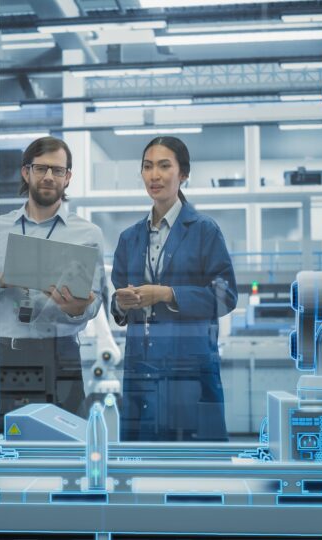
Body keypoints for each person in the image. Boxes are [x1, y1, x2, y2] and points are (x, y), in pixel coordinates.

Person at [111, 136, 238, 442]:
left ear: (183, 174)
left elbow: (227, 295)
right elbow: (116, 301)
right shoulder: (130, 238)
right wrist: (121, 303)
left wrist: (168, 294)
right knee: (140, 468)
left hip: (189, 368)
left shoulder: (205, 231)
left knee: (194, 473)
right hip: (141, 369)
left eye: (164, 166)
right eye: (147, 166)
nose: (154, 175)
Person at [0, 136, 106, 431]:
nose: (49, 177)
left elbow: (96, 302)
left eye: (57, 170)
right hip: (4, 354)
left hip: (61, 354)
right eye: (41, 168)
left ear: (68, 177)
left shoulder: (88, 234)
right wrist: (1, 280)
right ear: (26, 172)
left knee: (69, 445)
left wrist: (78, 308)